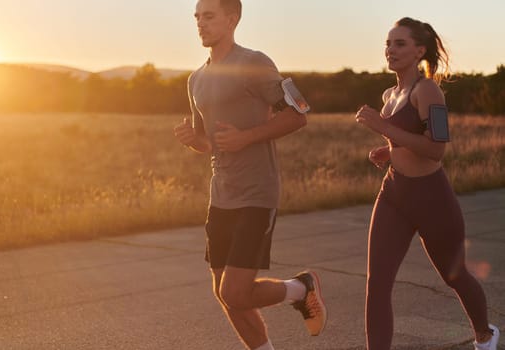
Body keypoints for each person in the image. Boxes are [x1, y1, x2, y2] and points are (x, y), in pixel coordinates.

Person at [173, 0, 327, 349]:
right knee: (225, 294)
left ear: (232, 19)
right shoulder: (195, 79)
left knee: (235, 290)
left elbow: (298, 114)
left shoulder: (255, 62)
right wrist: (192, 140)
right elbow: (207, 142)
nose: (200, 23)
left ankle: (301, 288)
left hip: (257, 192)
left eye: (208, 16)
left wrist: (247, 137)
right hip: (221, 195)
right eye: (197, 17)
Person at [355, 17, 500, 350]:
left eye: (400, 43)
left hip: (432, 198)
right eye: (388, 44)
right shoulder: (389, 93)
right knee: (377, 284)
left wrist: (383, 128)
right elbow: (408, 140)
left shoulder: (428, 90)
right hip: (394, 194)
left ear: (420, 50)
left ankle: (485, 335)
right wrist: (389, 152)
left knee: (454, 275)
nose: (391, 50)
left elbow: (436, 150)